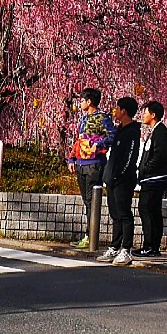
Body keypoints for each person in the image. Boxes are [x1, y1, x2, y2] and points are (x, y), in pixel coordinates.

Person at [66, 88, 114, 249]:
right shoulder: (83, 119)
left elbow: (112, 137)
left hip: (94, 164)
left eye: (82, 100)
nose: (79, 103)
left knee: (92, 201)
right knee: (87, 201)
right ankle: (88, 235)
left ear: (89, 102)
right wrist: (71, 158)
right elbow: (79, 141)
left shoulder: (103, 118)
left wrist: (98, 145)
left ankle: (90, 236)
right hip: (81, 163)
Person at [96, 96, 140, 266]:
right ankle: (115, 246)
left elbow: (130, 157)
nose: (114, 111)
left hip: (123, 180)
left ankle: (126, 249)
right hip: (112, 179)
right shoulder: (120, 130)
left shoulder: (132, 132)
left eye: (117, 108)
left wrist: (119, 175)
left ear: (124, 111)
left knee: (124, 214)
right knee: (115, 215)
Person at [134, 100, 167, 257]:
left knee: (147, 209)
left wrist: (144, 169)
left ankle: (150, 245)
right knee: (152, 210)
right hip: (151, 178)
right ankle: (152, 246)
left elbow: (159, 156)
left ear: (153, 115)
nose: (143, 115)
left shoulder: (160, 132)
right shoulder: (156, 131)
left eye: (145, 112)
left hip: (154, 178)